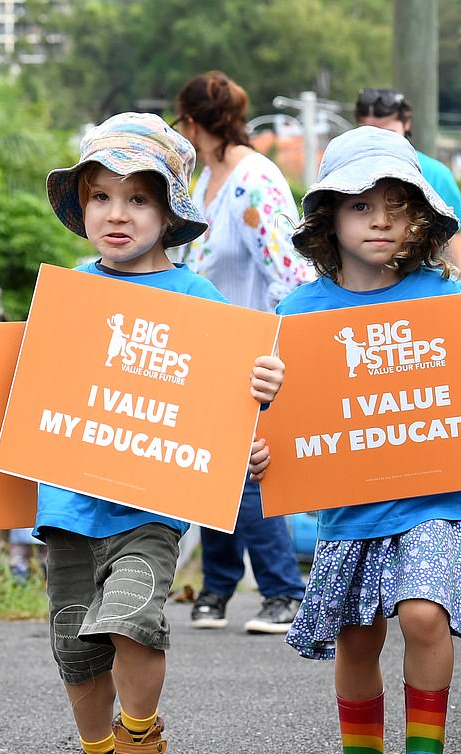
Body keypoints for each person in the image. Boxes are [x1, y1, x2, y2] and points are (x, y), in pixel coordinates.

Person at [250, 126, 461, 754]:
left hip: (437, 497)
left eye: (396, 205)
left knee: (425, 616)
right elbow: (279, 422)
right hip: (348, 510)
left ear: (420, 215)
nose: (382, 221)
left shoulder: (446, 298)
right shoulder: (297, 315)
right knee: (359, 635)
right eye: (361, 207)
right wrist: (261, 439)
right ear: (328, 217)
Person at [39, 112, 286, 754]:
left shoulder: (199, 299)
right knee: (76, 649)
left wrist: (257, 403)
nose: (118, 214)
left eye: (138, 198)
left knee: (133, 620)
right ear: (82, 208)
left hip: (150, 505)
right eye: (101, 196)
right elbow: (31, 393)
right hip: (65, 505)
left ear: (169, 213)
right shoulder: (64, 293)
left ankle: (142, 745)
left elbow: (228, 403)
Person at [174, 71, 311, 634]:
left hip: (251, 346)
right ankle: (219, 588)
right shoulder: (203, 180)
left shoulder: (255, 181)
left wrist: (272, 342)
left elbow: (290, 270)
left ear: (192, 122)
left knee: (248, 471)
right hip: (203, 346)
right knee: (213, 473)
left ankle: (283, 591)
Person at [354, 88, 461, 290]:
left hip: (424, 293)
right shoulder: (344, 178)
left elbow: (456, 258)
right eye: (369, 134)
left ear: (406, 122)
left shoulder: (435, 175)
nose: (380, 144)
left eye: (389, 134)